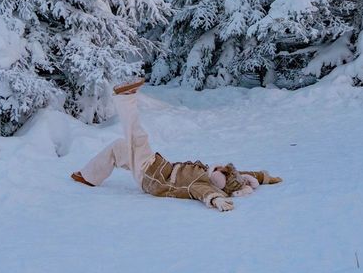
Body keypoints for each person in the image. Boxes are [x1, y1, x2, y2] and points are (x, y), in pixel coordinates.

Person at [71, 79, 282, 212]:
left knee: (138, 139)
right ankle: (87, 176)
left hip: (152, 177)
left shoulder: (204, 184)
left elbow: (203, 193)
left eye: (222, 173)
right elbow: (244, 174)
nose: (218, 168)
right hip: (157, 168)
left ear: (222, 183)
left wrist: (217, 200)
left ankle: (124, 99)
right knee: (119, 147)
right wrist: (264, 177)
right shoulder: (213, 176)